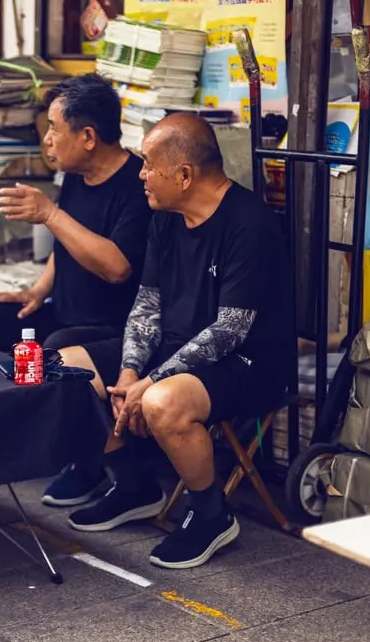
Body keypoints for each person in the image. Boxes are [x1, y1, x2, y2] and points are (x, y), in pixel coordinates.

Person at [49, 113, 295, 570]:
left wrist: (151, 381)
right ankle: (132, 485)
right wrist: (127, 374)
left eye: (148, 165)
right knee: (64, 367)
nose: (140, 174)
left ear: (184, 175)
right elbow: (146, 306)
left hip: (248, 361)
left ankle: (211, 514)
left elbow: (229, 331)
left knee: (162, 402)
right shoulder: (166, 217)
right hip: (178, 351)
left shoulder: (248, 224)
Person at [0, 72, 152, 353]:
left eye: (54, 128)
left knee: (56, 349)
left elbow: (117, 269)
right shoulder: (77, 173)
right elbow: (66, 241)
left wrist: (50, 214)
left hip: (112, 329)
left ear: (88, 137)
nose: (47, 139)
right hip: (63, 316)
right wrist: (37, 291)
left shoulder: (140, 184)